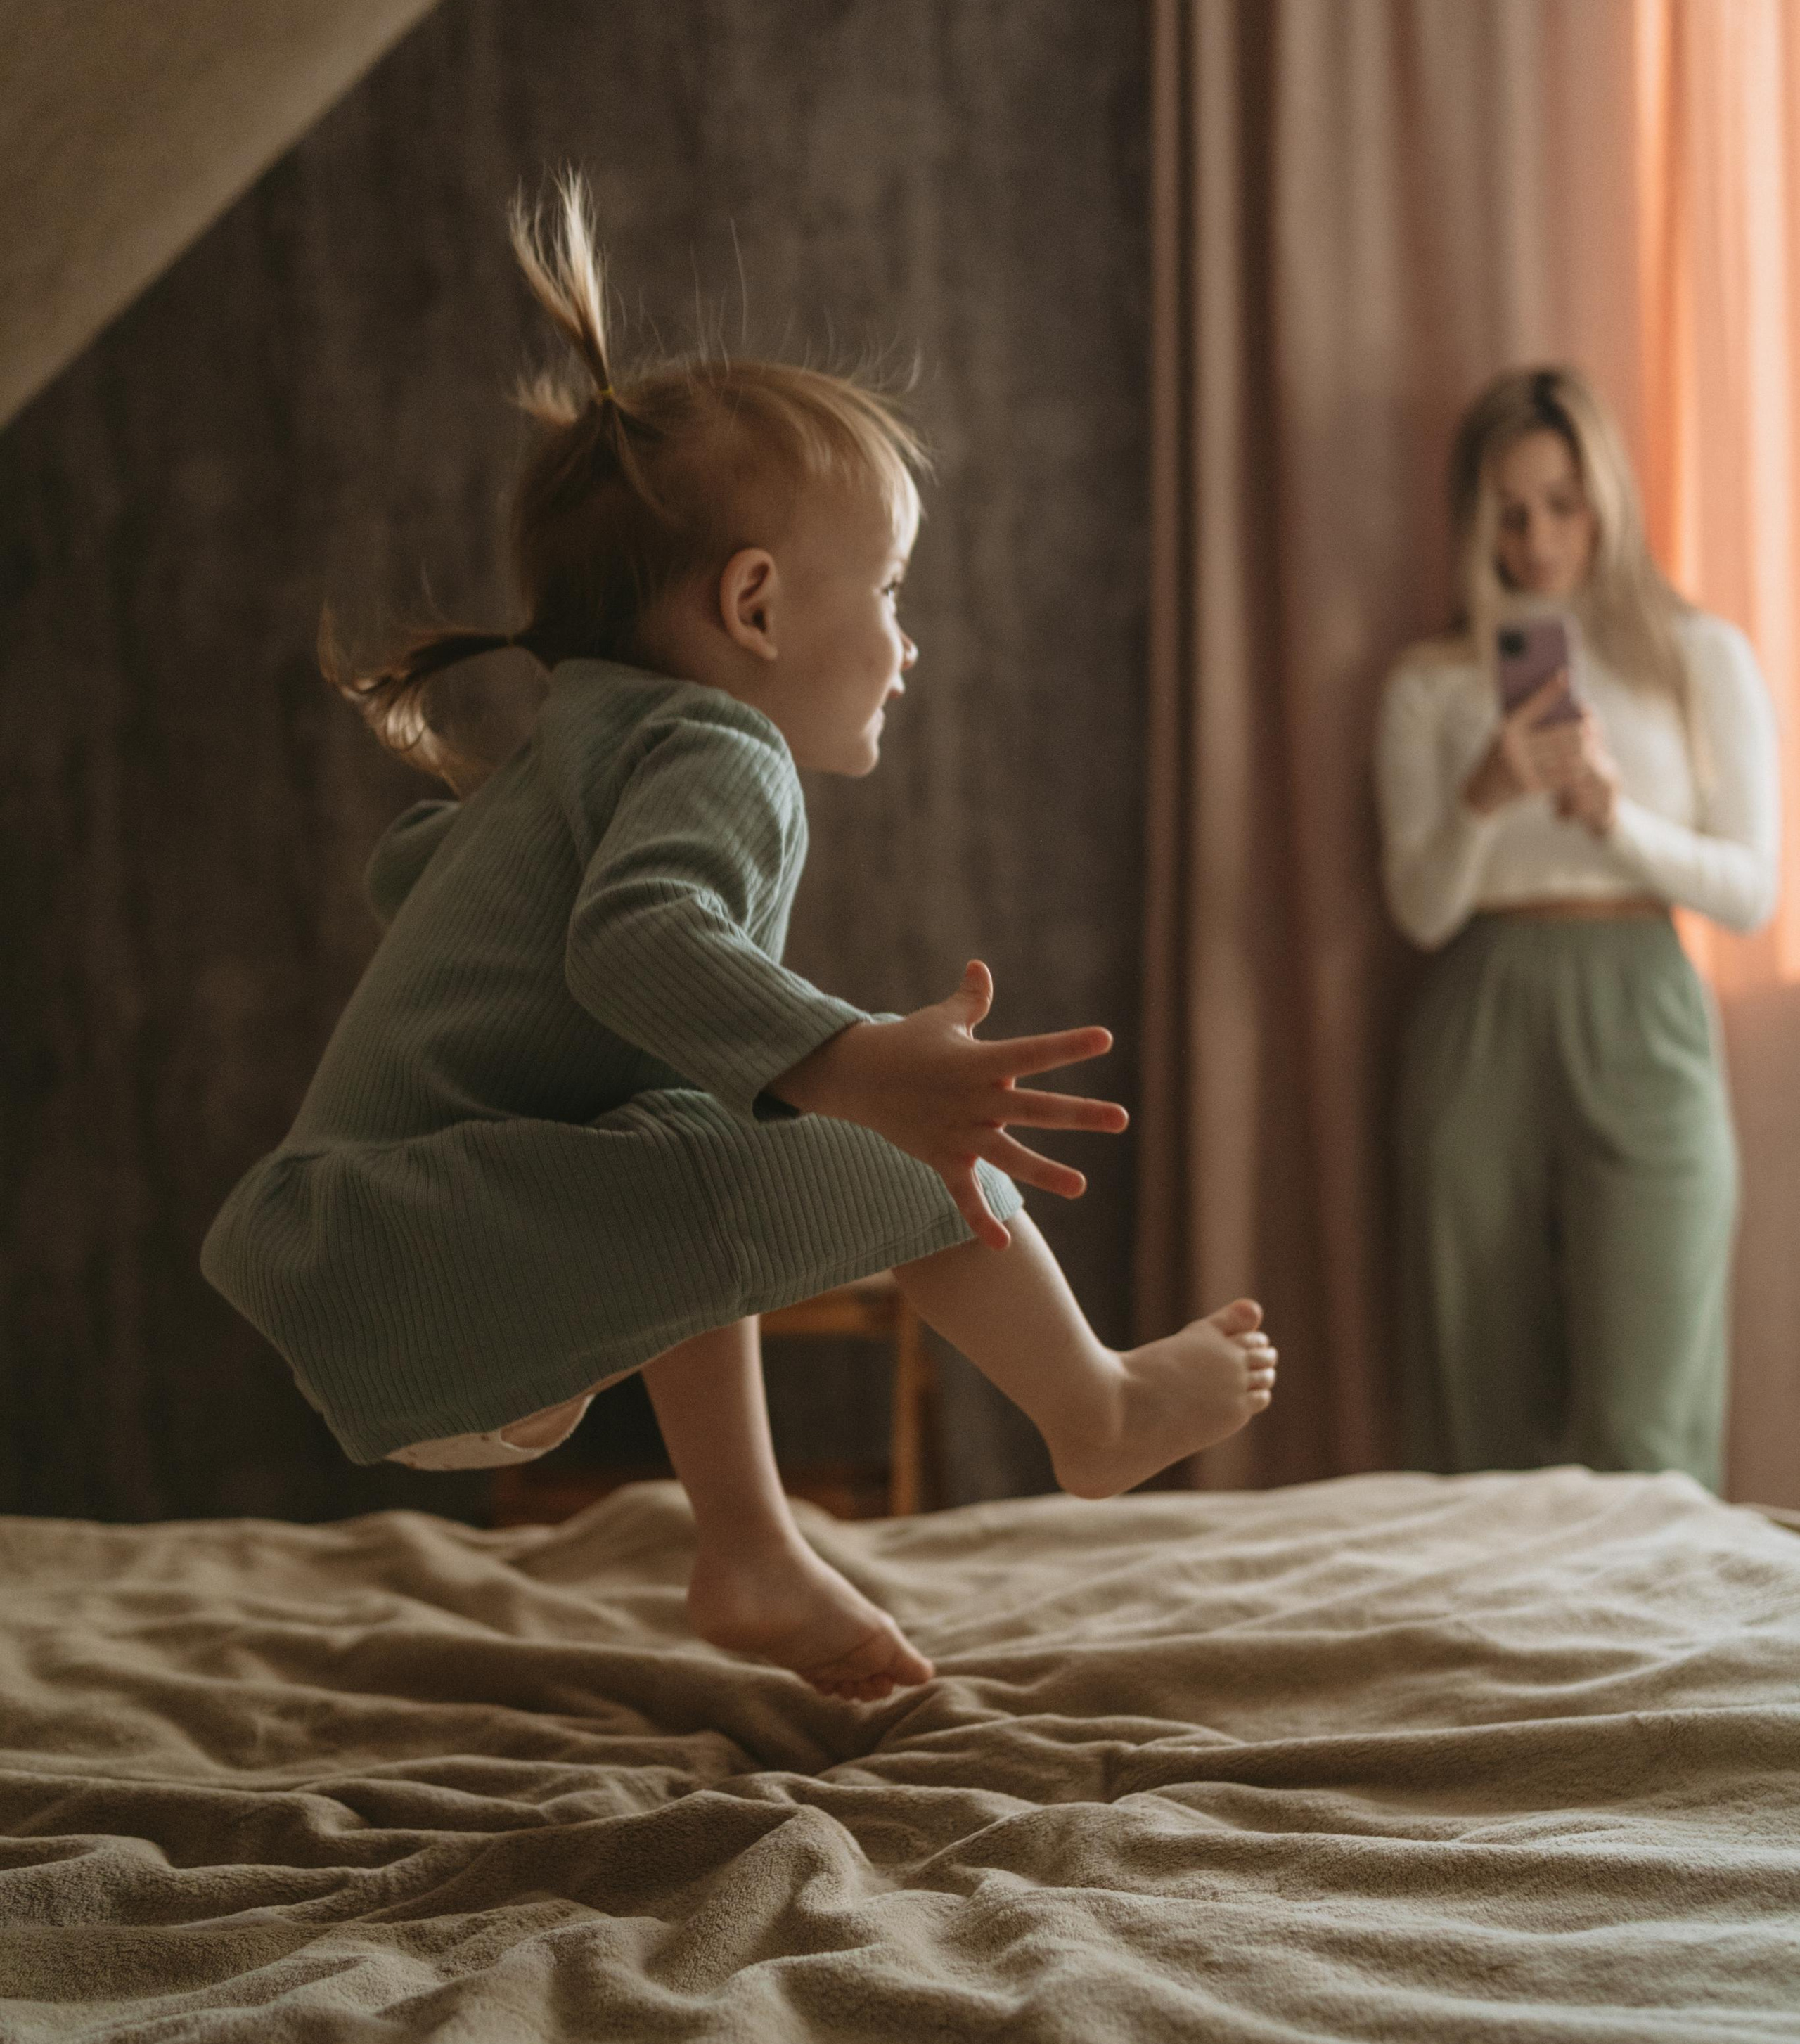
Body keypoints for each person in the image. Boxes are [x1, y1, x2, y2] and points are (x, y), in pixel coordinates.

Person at [203, 176, 1277, 1701]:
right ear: (756, 607)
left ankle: (752, 1551)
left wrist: (778, 1055)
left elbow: (417, 879)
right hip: (432, 1238)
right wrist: (855, 1064)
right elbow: (632, 945)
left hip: (387, 1252)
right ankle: (1093, 1411)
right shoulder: (723, 749)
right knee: (915, 1152)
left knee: (694, 1120)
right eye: (889, 591)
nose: (906, 642)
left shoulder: (573, 746)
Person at [1375, 364, 1780, 1489]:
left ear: (1608, 498)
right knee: (1478, 1404)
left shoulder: (1696, 655)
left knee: (1651, 1421)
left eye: (1563, 503)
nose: (1539, 539)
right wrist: (1483, 796)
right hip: (1480, 1012)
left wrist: (1618, 820)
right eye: (1509, 512)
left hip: (1645, 1003)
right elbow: (1420, 913)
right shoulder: (1430, 683)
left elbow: (1752, 892)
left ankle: (1659, 1607)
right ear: (1474, 521)